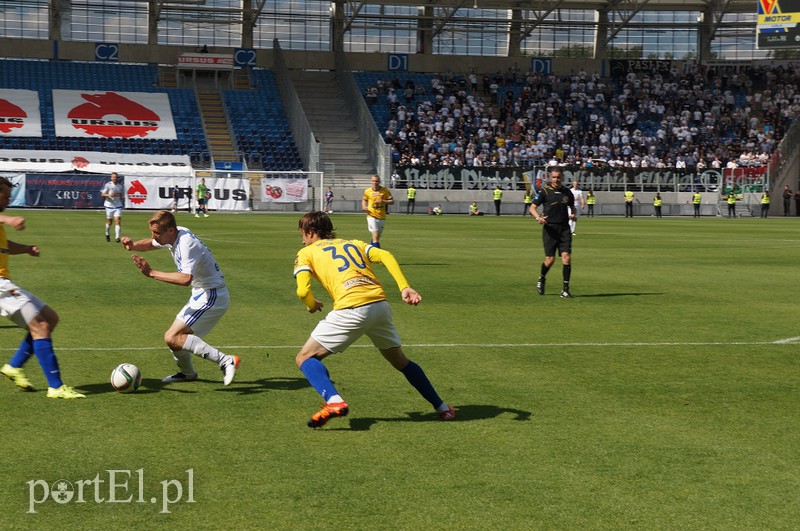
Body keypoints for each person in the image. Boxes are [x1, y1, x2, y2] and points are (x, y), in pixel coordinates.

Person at [292, 211, 455, 428]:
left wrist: (312, 305)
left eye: (302, 234)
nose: (302, 239)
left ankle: (333, 401)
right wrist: (404, 286)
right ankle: (443, 408)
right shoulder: (355, 243)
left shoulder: (306, 252)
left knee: (304, 358)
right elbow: (385, 255)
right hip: (380, 306)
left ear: (310, 232)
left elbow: (302, 291)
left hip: (351, 309)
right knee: (400, 361)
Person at [120, 210, 240, 385]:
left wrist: (151, 273)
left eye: (157, 233)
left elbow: (185, 279)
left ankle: (225, 361)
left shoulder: (186, 244)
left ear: (170, 230)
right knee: (173, 340)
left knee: (173, 337)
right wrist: (133, 246)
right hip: (202, 293)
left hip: (212, 295)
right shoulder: (175, 233)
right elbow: (152, 244)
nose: (154, 236)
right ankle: (187, 374)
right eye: (152, 232)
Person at [0, 177, 85, 399]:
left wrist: (26, 248)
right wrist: (9, 220)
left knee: (50, 318)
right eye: (5, 197)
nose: (8, 201)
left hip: (5, 283)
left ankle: (13, 366)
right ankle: (56, 387)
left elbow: (5, 247)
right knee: (40, 326)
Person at [530, 167, 575, 299]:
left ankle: (565, 290)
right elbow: (532, 208)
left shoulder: (567, 192)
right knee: (550, 260)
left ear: (562, 178)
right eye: (554, 177)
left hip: (564, 229)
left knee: (566, 257)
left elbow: (572, 207)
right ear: (551, 178)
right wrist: (539, 217)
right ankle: (542, 278)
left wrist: (573, 214)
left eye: (558, 177)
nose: (556, 180)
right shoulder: (544, 191)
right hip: (550, 229)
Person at [362, 174, 394, 248]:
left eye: (376, 181)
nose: (375, 183)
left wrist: (383, 201)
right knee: (375, 236)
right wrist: (364, 206)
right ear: (371, 182)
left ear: (379, 182)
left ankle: (370, 252)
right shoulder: (367, 191)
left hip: (381, 216)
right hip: (371, 215)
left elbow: (392, 201)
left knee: (376, 238)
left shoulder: (385, 190)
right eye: (373, 181)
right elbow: (364, 199)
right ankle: (378, 256)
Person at [101, 172, 124, 243]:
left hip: (118, 205)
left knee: (118, 221)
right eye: (113, 177)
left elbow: (122, 195)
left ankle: (117, 237)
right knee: (110, 222)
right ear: (111, 178)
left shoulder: (120, 186)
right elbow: (102, 194)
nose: (115, 178)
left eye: (116, 177)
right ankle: (107, 233)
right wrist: (109, 195)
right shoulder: (108, 185)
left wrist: (121, 196)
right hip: (109, 205)